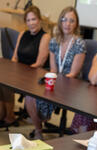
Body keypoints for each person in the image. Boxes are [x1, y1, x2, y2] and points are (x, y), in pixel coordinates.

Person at [25, 6, 86, 140]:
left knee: (44, 97)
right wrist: (51, 82)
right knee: (30, 96)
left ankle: (42, 119)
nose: (67, 24)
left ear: (76, 24)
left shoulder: (80, 43)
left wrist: (55, 85)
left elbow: (73, 74)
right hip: (56, 79)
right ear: (60, 21)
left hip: (72, 85)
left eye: (72, 21)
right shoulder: (54, 41)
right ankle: (38, 130)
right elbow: (53, 69)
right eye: (64, 20)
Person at [0, 5, 51, 127]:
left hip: (35, 73)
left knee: (8, 84)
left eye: (33, 19)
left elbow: (39, 63)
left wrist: (20, 74)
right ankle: (2, 113)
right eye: (28, 20)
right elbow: (15, 57)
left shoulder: (45, 37)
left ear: (39, 20)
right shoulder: (22, 34)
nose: (31, 23)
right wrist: (12, 70)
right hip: (20, 71)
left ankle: (9, 116)